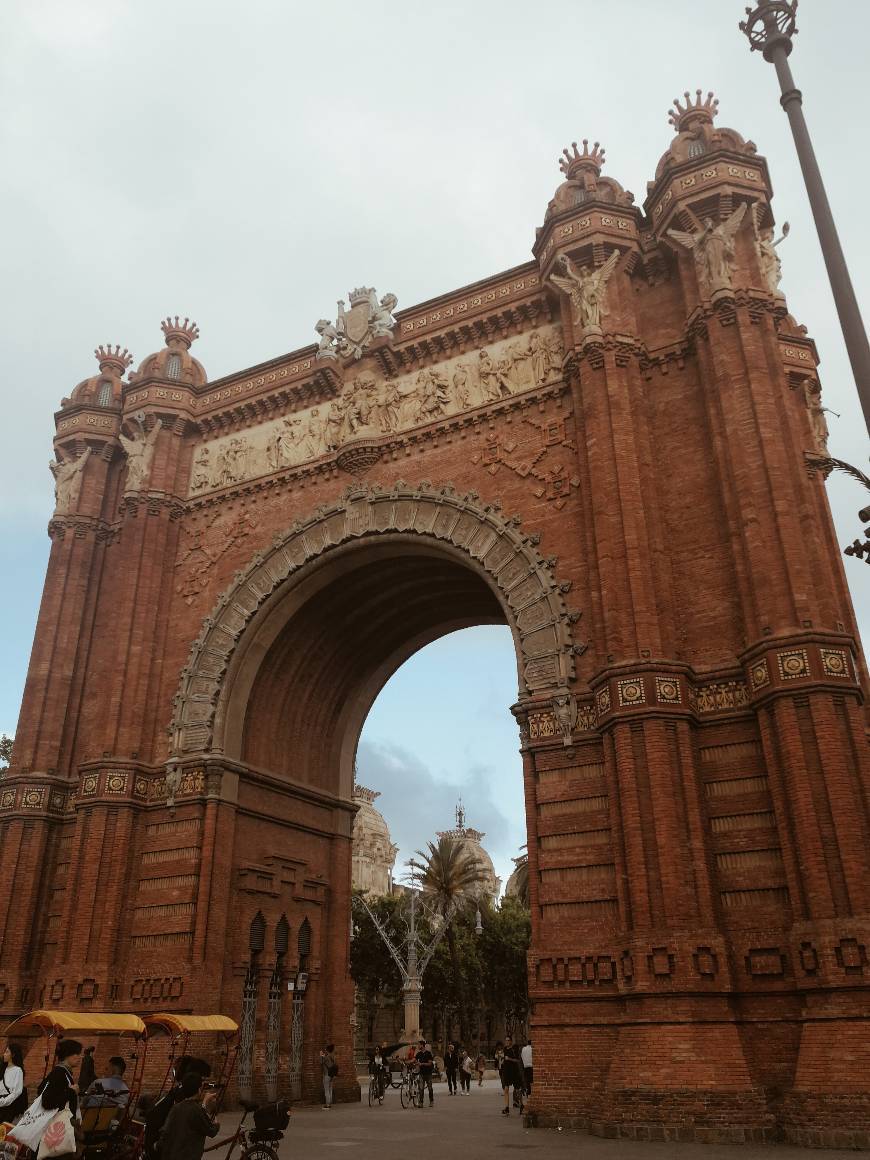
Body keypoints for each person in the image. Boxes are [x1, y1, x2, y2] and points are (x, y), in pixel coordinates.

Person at [143, 1056, 211, 1158]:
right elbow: (204, 1125)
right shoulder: (182, 1097)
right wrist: (205, 1103)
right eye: (202, 1079)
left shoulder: (178, 1091)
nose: (203, 1084)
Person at [159, 1072, 219, 1160]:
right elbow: (211, 1131)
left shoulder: (176, 1108)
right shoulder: (196, 1109)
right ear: (199, 1090)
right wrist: (217, 1123)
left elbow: (165, 1132)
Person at [0, 1043, 26, 1119]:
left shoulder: (17, 1070)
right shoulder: (2, 1069)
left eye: (7, 1052)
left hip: (7, 1108)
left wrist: (2, 1102)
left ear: (13, 1055)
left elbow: (16, 1092)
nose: (4, 1054)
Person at [499, 1036, 522, 1116]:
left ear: (511, 1041)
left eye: (508, 1040)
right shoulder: (505, 1049)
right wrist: (503, 1060)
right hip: (507, 1072)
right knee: (506, 1089)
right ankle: (506, 1108)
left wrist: (509, 1059)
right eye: (506, 1040)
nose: (507, 1042)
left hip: (514, 1072)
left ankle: (522, 1105)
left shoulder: (514, 1049)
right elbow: (504, 1058)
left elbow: (518, 1060)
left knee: (517, 1090)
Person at [414, 1040, 434, 1107]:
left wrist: (421, 1064)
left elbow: (430, 1063)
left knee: (430, 1088)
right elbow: (414, 1060)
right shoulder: (418, 1054)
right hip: (421, 1073)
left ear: (422, 1045)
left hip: (428, 1073)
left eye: (419, 1045)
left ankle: (431, 1101)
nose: (418, 1046)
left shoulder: (428, 1053)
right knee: (421, 1088)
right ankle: (421, 1102)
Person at [319, 1044, 336, 1109]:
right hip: (331, 1075)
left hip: (326, 1075)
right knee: (330, 1089)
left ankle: (327, 1104)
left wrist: (321, 1055)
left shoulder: (326, 1057)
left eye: (326, 1049)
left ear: (327, 1050)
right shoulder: (332, 1056)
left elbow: (321, 1062)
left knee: (326, 1090)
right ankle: (330, 1103)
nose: (325, 1050)